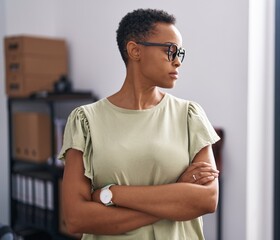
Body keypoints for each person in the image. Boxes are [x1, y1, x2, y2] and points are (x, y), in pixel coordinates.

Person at [59, 8, 220, 240]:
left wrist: (111, 194)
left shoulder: (190, 115)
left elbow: (207, 200)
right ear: (135, 50)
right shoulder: (85, 121)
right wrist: (174, 196)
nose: (177, 62)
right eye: (170, 50)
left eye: (180, 53)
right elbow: (76, 218)